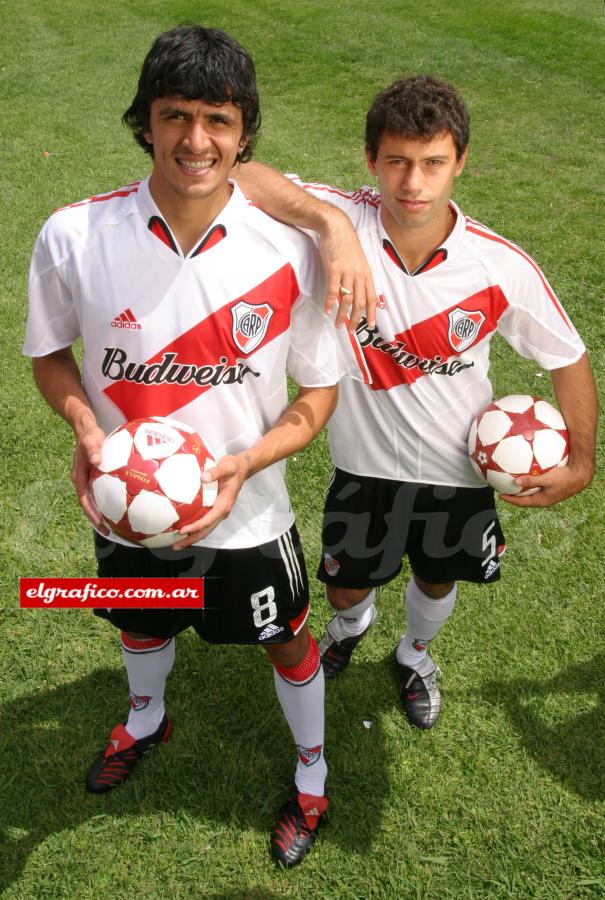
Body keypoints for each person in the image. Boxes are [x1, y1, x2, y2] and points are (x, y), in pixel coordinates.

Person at [23, 24, 368, 868]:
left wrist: (247, 461)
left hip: (246, 516)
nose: (195, 140)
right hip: (126, 503)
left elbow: (317, 395)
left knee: (286, 637)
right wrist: (82, 426)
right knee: (140, 624)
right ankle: (146, 719)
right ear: (144, 121)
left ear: (244, 131)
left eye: (217, 118)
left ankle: (312, 775)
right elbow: (49, 353)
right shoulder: (74, 234)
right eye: (174, 115)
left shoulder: (291, 249)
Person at [237, 75, 598, 730]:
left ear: (460, 161)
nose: (413, 184)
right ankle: (352, 625)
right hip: (362, 468)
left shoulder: (495, 265)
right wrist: (331, 229)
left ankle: (414, 654)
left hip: (457, 472)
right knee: (346, 585)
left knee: (437, 578)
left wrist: (581, 461)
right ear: (371, 159)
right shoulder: (341, 217)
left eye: (433, 163)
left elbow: (567, 355)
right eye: (397, 162)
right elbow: (242, 175)